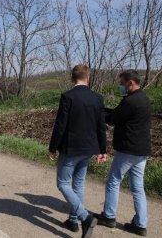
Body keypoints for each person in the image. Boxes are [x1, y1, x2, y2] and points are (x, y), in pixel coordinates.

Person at [49, 64, 107, 238]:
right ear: (87, 77)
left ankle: (84, 217)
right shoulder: (97, 98)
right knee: (79, 183)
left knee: (63, 184)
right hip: (89, 148)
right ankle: (73, 220)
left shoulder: (68, 96)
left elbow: (60, 125)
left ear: (72, 78)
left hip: (71, 148)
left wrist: (53, 147)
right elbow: (101, 126)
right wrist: (102, 150)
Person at [95, 70, 151, 236]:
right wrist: (103, 110)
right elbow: (117, 113)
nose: (120, 86)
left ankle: (108, 216)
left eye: (122, 83)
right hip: (142, 151)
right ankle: (140, 224)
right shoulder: (143, 99)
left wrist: (98, 111)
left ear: (130, 82)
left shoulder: (131, 101)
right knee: (137, 187)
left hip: (128, 150)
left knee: (113, 181)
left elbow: (112, 118)